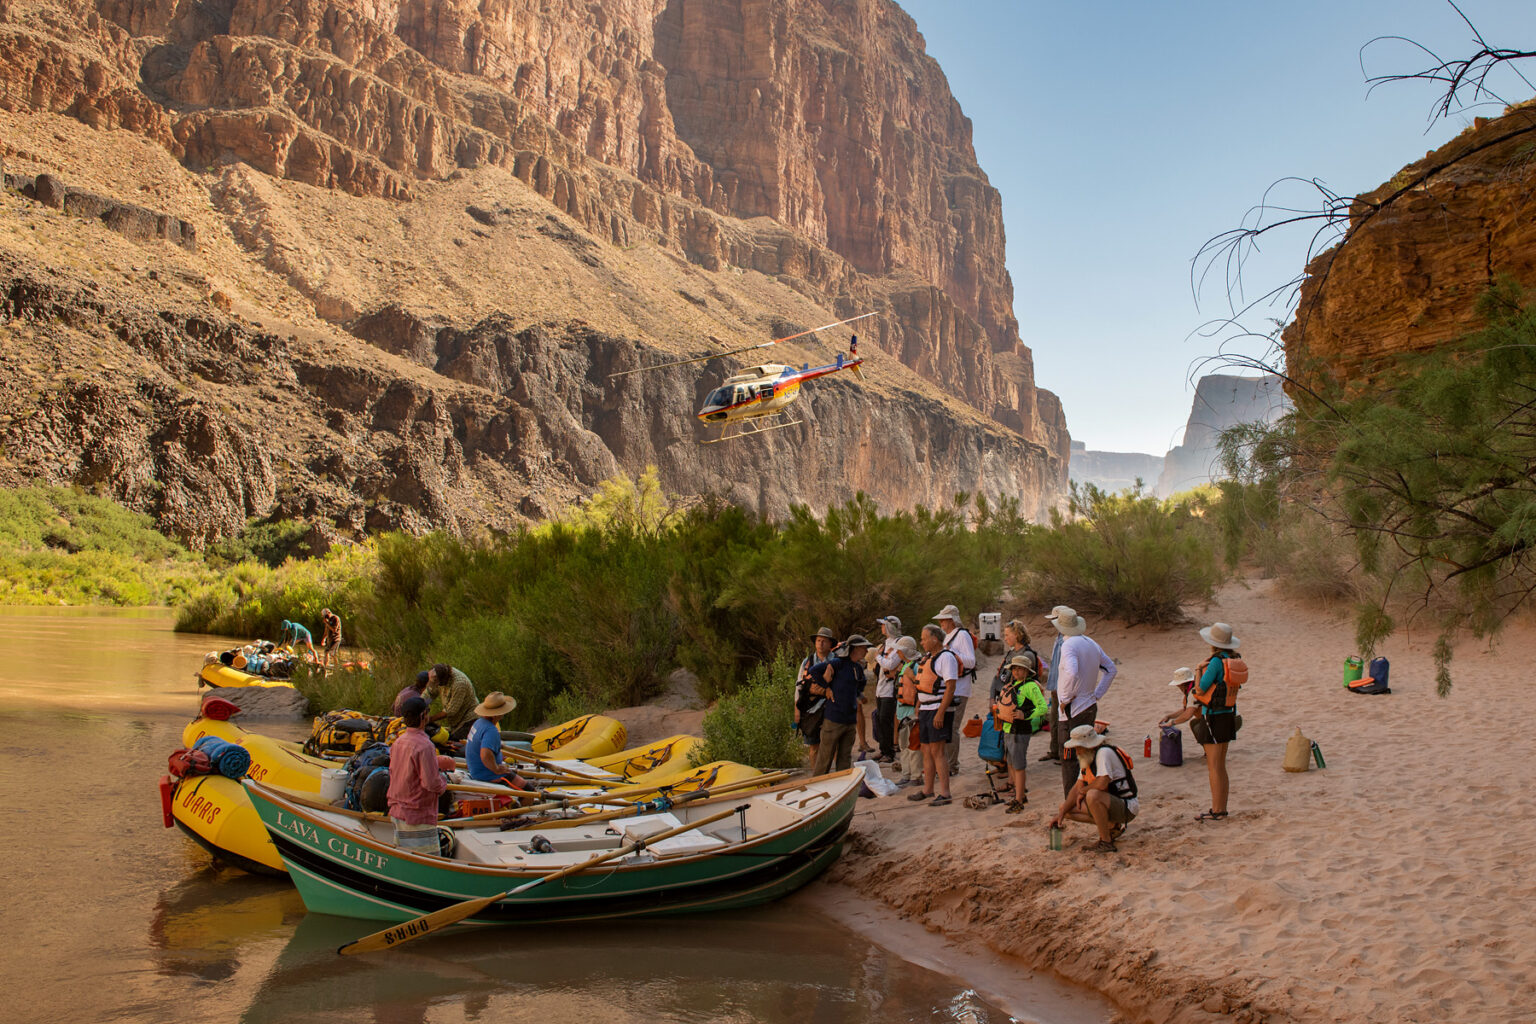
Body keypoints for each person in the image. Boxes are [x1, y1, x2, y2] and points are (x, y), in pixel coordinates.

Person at [1160, 622, 1243, 821]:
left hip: (1212, 717)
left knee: (1214, 767)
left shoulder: (1215, 662)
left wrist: (1198, 670)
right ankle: (1221, 808)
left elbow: (1200, 689)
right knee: (1221, 766)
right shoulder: (1233, 659)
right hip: (1228, 714)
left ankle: (1217, 810)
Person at [1047, 607, 1117, 797]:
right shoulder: (1091, 643)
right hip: (1088, 705)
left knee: (1069, 757)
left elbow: (1072, 671)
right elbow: (1111, 669)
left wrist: (1066, 699)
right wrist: (1096, 695)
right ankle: (1089, 794)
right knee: (1088, 753)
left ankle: (1072, 798)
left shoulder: (1068, 646)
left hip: (1073, 708)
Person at [1048, 724, 1137, 853]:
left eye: (1079, 748)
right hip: (1110, 803)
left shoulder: (1103, 753)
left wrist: (1083, 791)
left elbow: (1102, 783)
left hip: (1127, 806)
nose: (1077, 752)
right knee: (1065, 808)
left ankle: (1106, 841)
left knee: (1092, 795)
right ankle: (1111, 825)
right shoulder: (1087, 757)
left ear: (1089, 746)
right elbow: (1077, 786)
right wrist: (1060, 815)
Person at [386, 695, 448, 853]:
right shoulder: (425, 746)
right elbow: (431, 783)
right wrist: (444, 781)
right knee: (427, 861)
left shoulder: (399, 742)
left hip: (397, 811)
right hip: (416, 814)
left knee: (403, 856)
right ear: (423, 716)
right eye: (427, 711)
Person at [908, 624, 958, 806]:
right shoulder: (929, 658)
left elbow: (950, 687)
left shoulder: (946, 658)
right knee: (926, 750)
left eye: (924, 638)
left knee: (938, 751)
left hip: (938, 709)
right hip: (926, 710)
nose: (922, 642)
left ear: (935, 639)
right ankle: (928, 789)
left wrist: (941, 712)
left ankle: (945, 793)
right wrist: (920, 704)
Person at [994, 651, 1050, 813]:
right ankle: (1019, 794)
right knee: (1011, 762)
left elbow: (1043, 708)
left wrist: (1025, 715)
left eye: (1021, 669)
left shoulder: (1031, 686)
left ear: (1027, 671)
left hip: (1020, 731)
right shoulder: (1013, 685)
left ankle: (1019, 799)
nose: (1017, 672)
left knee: (1019, 765)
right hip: (1008, 729)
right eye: (1015, 669)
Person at [810, 635, 872, 775]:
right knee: (825, 758)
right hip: (834, 718)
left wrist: (860, 696)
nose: (866, 652)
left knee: (845, 758)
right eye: (864, 648)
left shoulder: (857, 668)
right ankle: (818, 786)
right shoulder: (838, 663)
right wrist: (826, 687)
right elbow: (814, 671)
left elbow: (857, 687)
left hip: (850, 720)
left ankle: (841, 787)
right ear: (855, 649)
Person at [935, 604, 976, 776]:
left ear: (950, 620)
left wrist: (951, 652)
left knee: (952, 727)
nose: (941, 624)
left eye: (943, 620)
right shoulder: (948, 636)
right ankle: (946, 763)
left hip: (959, 688)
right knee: (945, 726)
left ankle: (952, 765)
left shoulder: (962, 635)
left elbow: (971, 662)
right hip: (948, 688)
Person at [464, 692, 530, 788]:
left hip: (476, 771)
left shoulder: (478, 723)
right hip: (488, 775)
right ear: (496, 714)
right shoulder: (491, 730)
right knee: (529, 790)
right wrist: (496, 769)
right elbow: (485, 754)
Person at [795, 628, 836, 765]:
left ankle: (838, 778)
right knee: (814, 746)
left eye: (824, 641)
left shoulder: (837, 661)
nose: (821, 643)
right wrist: (796, 709)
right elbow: (799, 687)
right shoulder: (807, 662)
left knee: (833, 745)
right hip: (810, 710)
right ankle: (816, 777)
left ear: (830, 643)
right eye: (818, 640)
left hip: (832, 708)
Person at [1039, 606, 1070, 763]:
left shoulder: (1069, 640)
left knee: (1063, 721)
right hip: (1055, 685)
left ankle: (1062, 752)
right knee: (1054, 719)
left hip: (1063, 687)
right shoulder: (1058, 638)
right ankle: (1054, 750)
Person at [872, 615, 904, 763]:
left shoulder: (899, 643)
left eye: (884, 625)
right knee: (879, 719)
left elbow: (890, 664)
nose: (882, 628)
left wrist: (877, 657)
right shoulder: (886, 643)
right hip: (881, 688)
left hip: (890, 689)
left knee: (886, 719)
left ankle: (889, 752)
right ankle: (883, 749)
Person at [892, 635, 923, 786]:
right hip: (902, 712)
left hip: (912, 713)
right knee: (904, 745)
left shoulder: (915, 667)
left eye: (899, 651)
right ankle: (906, 774)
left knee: (914, 745)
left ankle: (916, 776)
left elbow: (923, 688)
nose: (897, 653)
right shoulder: (905, 666)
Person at [425, 663, 480, 740]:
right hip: (455, 721)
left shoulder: (459, 684)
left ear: (443, 681)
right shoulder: (439, 676)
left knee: (453, 742)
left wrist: (429, 719)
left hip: (468, 719)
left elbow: (450, 711)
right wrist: (420, 704)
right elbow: (430, 693)